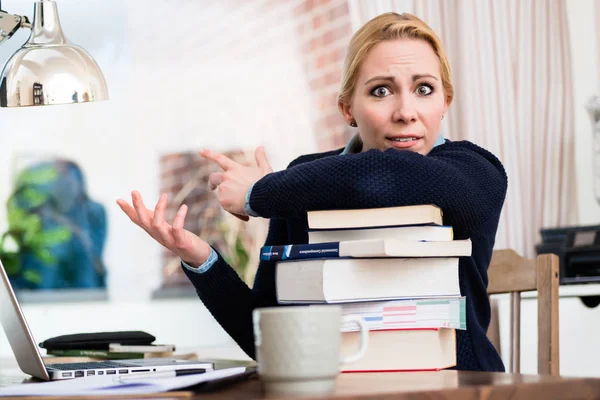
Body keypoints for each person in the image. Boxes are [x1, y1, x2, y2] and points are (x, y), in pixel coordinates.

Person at [117, 12, 506, 372]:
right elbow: (265, 339)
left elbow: (390, 173)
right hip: (337, 387)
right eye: (381, 91)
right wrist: (200, 259)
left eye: (424, 89)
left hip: (459, 386)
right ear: (347, 108)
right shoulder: (302, 181)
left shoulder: (475, 171)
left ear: (445, 103)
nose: (406, 111)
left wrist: (260, 192)